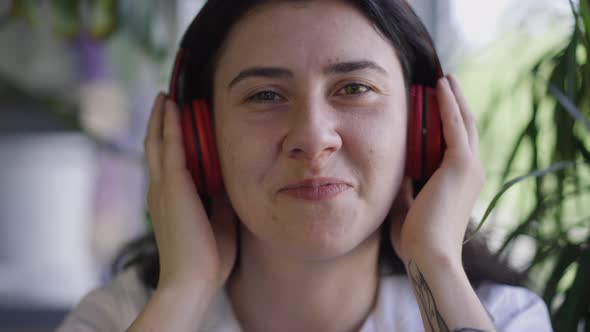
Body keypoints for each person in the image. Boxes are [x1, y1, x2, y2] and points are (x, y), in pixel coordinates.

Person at [56, 0, 553, 331]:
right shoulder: (118, 318)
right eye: (265, 95)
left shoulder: (502, 317)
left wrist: (436, 266)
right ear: (198, 138)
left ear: (424, 126)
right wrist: (183, 293)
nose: (314, 138)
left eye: (354, 88)